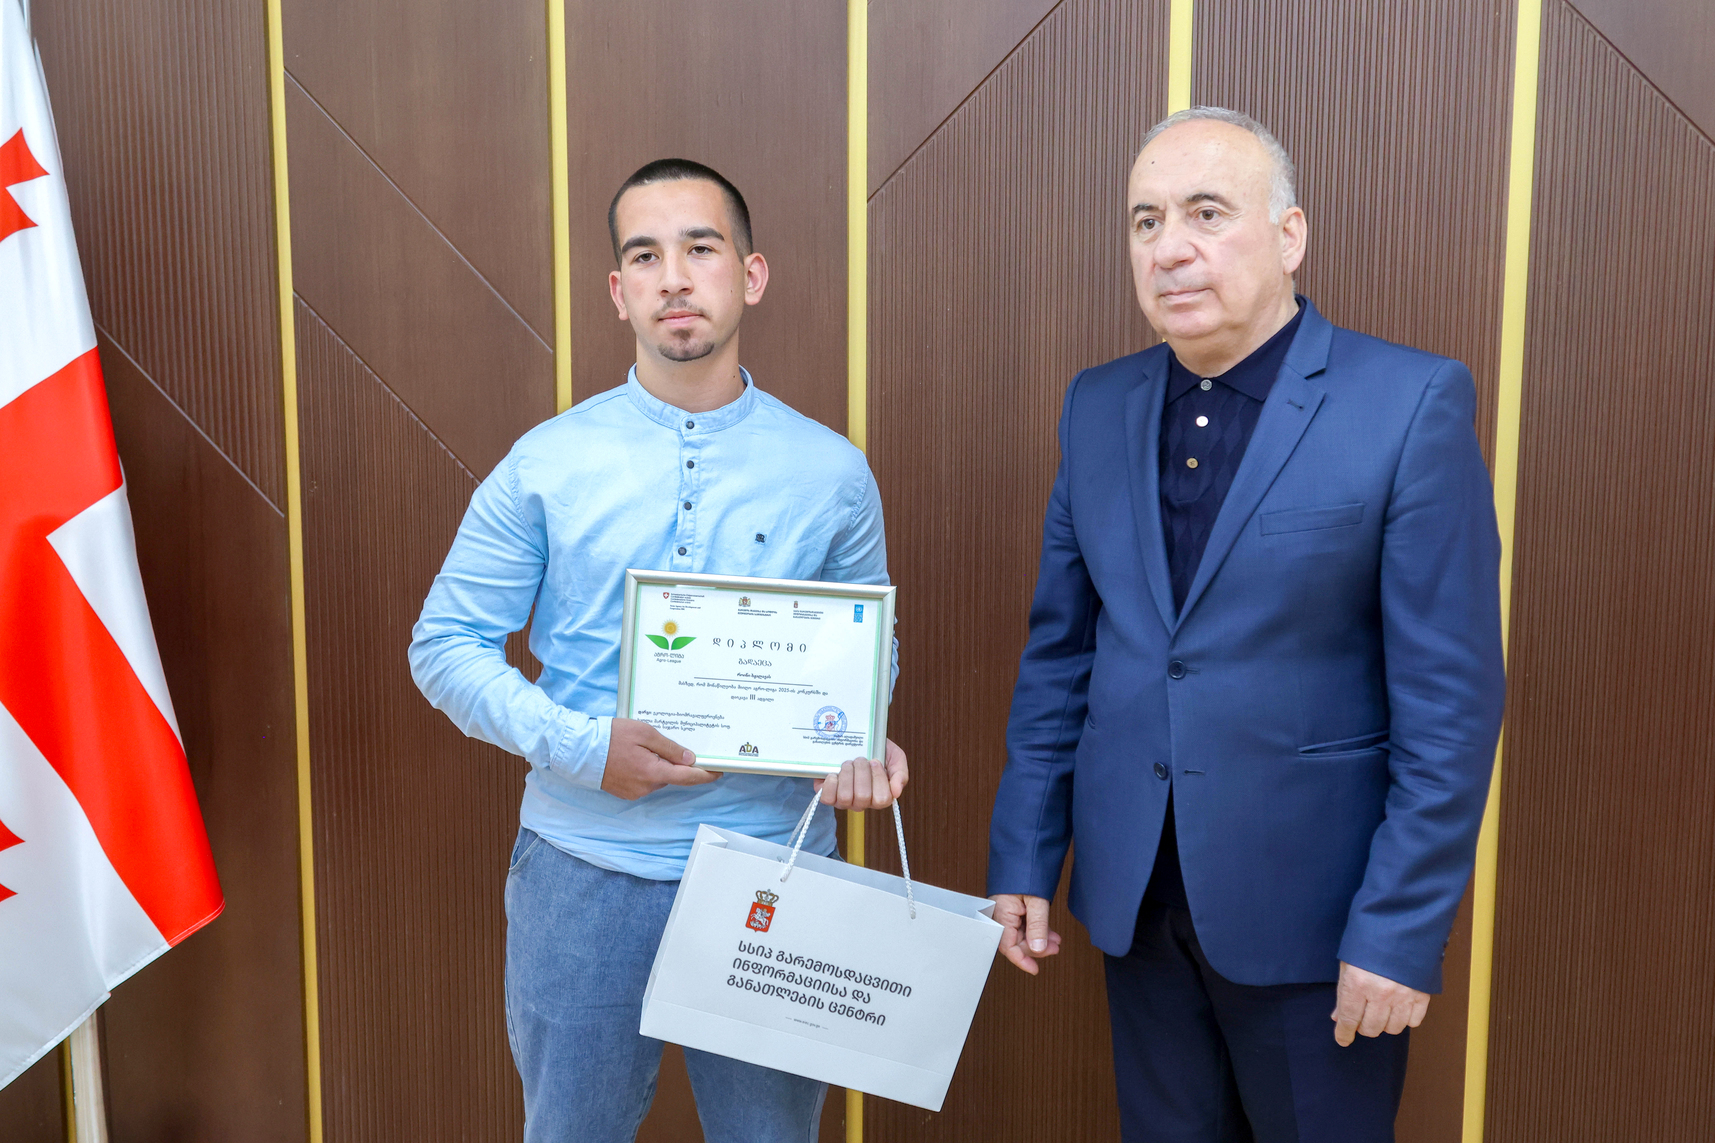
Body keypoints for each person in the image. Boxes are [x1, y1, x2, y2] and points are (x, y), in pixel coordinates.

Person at [986, 108, 1505, 1142]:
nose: (1168, 247)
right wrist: (1023, 856)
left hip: (1319, 921)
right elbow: (1061, 657)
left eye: (1205, 213)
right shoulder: (1096, 404)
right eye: (1144, 221)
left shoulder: (1408, 402)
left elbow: (1449, 707)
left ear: (1288, 234)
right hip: (1135, 901)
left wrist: (1398, 931)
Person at [410, 158, 906, 1143]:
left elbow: (866, 651)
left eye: (700, 249)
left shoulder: (832, 474)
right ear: (618, 291)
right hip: (580, 873)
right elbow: (445, 646)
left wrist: (859, 740)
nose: (673, 278)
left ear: (750, 275)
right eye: (644, 256)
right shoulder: (545, 463)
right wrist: (584, 747)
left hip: (773, 871)